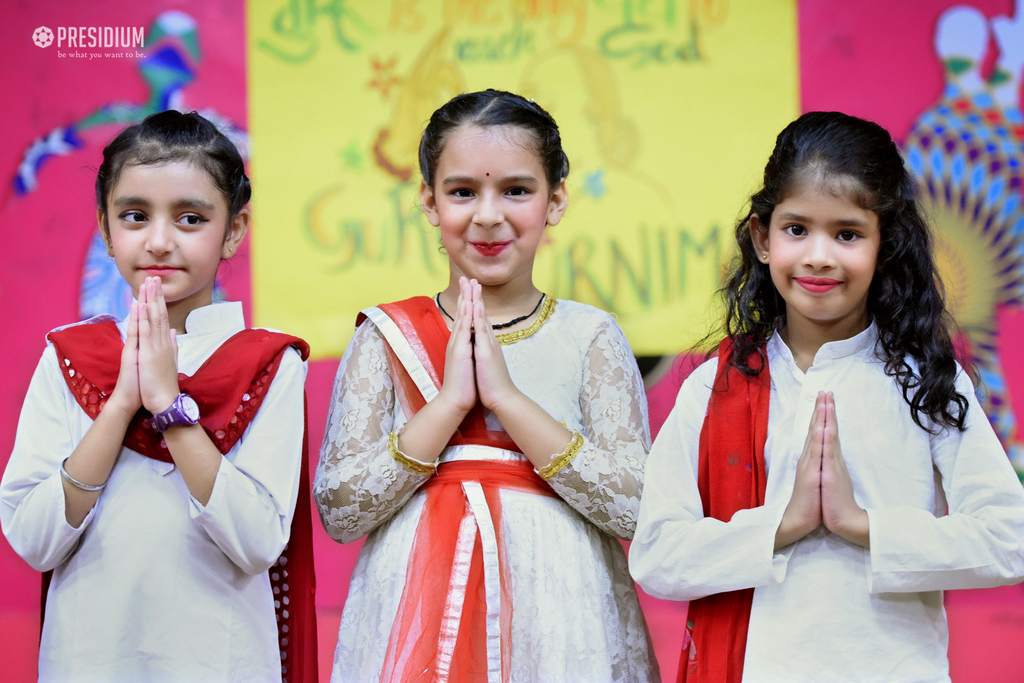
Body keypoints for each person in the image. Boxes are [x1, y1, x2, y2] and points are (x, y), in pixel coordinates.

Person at [629, 110, 1024, 683]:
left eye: (847, 233)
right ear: (762, 239)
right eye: (797, 230)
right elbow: (657, 556)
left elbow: (1009, 539)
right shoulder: (715, 386)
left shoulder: (925, 382)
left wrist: (861, 525)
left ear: (884, 245)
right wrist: (783, 525)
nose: (819, 255)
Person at [315, 89, 659, 682]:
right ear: (428, 200)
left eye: (517, 190)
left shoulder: (590, 336)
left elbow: (637, 510)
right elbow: (340, 512)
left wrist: (508, 400)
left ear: (556, 200)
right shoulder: (386, 335)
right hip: (414, 623)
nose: (489, 215)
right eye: (463, 191)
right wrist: (449, 404)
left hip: (561, 622)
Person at [0, 110, 317, 683]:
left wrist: (170, 407)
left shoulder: (268, 364)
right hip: (86, 660)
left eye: (191, 218)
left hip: (222, 663)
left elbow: (256, 542)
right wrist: (120, 403)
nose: (160, 240)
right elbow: (33, 539)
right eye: (135, 216)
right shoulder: (72, 356)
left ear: (236, 230)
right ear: (105, 227)